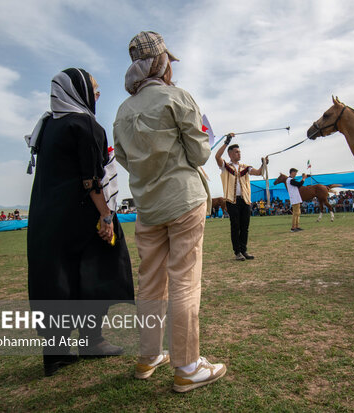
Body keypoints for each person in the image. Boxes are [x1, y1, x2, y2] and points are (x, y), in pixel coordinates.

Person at [114, 30, 226, 393]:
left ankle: (149, 356)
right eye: (168, 62)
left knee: (149, 282)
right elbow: (199, 155)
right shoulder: (177, 98)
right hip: (183, 200)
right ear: (160, 63)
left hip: (147, 207)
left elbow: (123, 159)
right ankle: (188, 366)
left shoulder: (122, 110)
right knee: (184, 280)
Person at [27, 68, 134, 376]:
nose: (97, 93)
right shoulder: (84, 124)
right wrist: (105, 217)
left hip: (47, 221)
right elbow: (92, 180)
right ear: (77, 91)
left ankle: (56, 353)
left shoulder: (47, 126)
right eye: (93, 87)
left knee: (56, 281)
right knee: (99, 271)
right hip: (84, 218)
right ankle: (92, 341)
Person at [215, 135, 267, 260]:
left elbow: (259, 172)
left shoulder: (245, 167)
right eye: (237, 152)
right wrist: (226, 142)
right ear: (230, 154)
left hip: (245, 200)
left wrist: (263, 164)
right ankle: (237, 252)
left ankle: (244, 251)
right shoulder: (225, 166)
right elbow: (217, 156)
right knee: (235, 226)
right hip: (232, 200)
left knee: (245, 227)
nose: (239, 154)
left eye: (239, 152)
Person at [285, 168, 307, 232]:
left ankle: (296, 226)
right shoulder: (290, 180)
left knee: (298, 213)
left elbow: (298, 184)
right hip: (294, 198)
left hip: (296, 198)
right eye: (295, 173)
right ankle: (293, 227)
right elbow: (299, 184)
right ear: (292, 172)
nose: (296, 174)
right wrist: (303, 178)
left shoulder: (291, 180)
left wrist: (303, 178)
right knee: (295, 213)